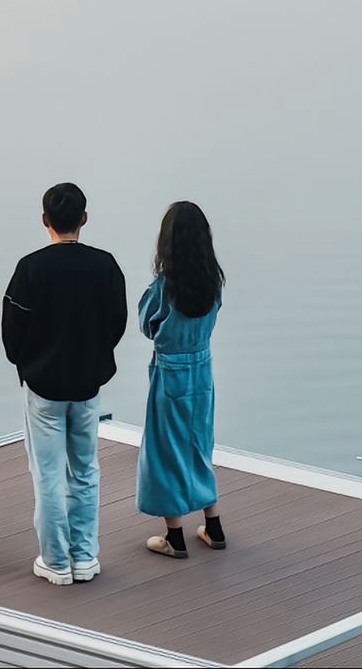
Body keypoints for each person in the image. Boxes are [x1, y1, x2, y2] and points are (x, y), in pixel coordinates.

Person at [2, 181, 127, 586]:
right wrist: (94, 356)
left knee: (48, 473)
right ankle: (86, 557)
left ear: (45, 221)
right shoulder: (106, 266)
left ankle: (56, 562)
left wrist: (28, 362)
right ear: (84, 219)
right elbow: (116, 323)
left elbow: (11, 334)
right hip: (88, 385)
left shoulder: (30, 268)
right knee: (86, 470)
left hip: (43, 387)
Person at [135, 200, 227, 559]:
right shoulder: (213, 284)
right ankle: (213, 524)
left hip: (169, 372)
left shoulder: (162, 288)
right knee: (199, 444)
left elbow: (147, 325)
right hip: (202, 370)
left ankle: (174, 535)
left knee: (165, 450)